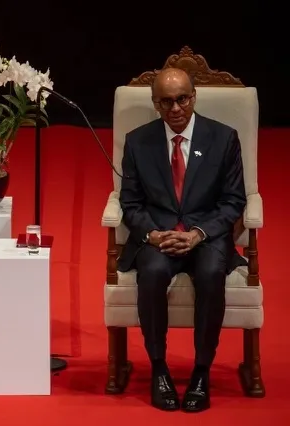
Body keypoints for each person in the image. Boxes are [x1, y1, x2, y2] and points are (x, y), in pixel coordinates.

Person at [118, 68, 246, 413]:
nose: (175, 108)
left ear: (194, 96)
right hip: (159, 237)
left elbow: (234, 201)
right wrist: (153, 235)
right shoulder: (137, 141)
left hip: (206, 236)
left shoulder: (223, 138)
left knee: (209, 274)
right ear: (155, 103)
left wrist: (197, 234)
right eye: (166, 101)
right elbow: (129, 203)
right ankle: (159, 368)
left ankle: (201, 371)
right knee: (154, 272)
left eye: (182, 99)